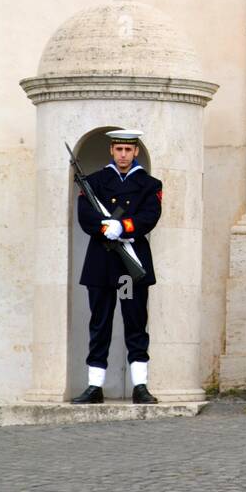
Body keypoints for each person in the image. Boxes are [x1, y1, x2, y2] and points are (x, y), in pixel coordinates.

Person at [70, 130, 163, 404]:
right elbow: (85, 216)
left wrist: (123, 226)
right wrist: (103, 228)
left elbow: (150, 216)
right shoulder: (95, 182)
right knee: (100, 324)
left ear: (136, 152)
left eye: (128, 150)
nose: (123, 154)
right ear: (112, 150)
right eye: (119, 149)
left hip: (130, 265)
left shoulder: (149, 184)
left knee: (136, 324)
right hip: (101, 263)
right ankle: (94, 385)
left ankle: (140, 385)